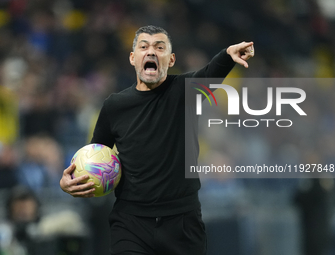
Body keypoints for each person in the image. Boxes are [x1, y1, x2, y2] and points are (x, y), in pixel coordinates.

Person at [60, 25, 254, 255]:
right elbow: (93, 157)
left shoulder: (185, 91)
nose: (151, 52)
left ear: (171, 60)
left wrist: (227, 56)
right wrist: (70, 182)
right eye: (144, 47)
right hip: (130, 224)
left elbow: (210, 72)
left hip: (182, 225)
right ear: (133, 58)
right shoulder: (115, 106)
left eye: (159, 47)